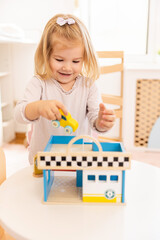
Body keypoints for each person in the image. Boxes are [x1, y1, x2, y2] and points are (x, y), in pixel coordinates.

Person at [15, 14, 115, 164]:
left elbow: (95, 120)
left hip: (78, 159)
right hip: (43, 161)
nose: (67, 67)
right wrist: (38, 107)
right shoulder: (39, 84)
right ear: (46, 54)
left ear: (85, 59)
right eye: (59, 59)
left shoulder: (88, 86)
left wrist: (102, 122)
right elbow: (19, 114)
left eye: (76, 61)